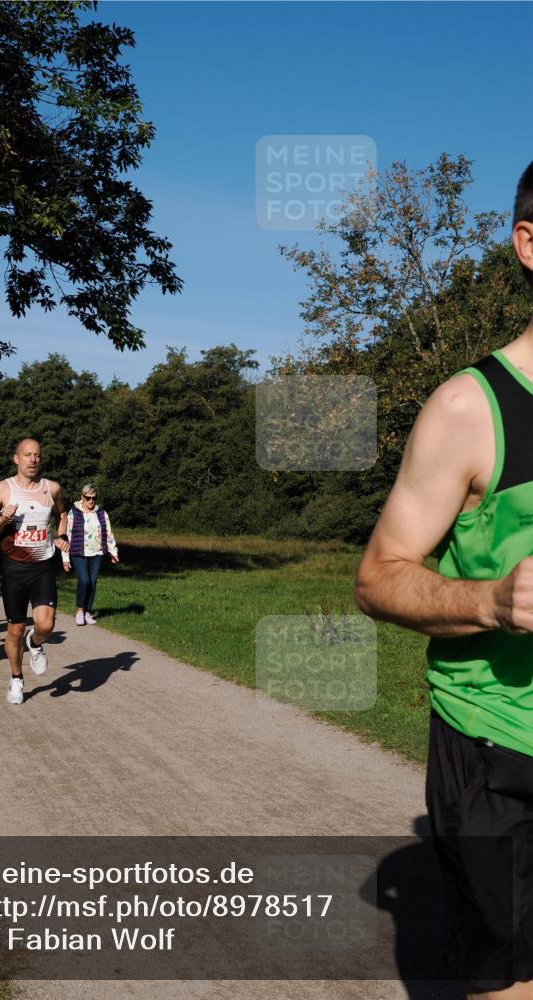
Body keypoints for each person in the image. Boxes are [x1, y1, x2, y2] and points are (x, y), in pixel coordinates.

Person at [355, 162, 533, 999]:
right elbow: (380, 576)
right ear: (530, 245)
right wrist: (489, 601)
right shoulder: (472, 408)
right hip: (501, 749)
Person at [0, 438, 69, 705]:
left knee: (45, 624)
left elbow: (63, 513)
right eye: (27, 455)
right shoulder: (3, 489)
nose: (33, 460)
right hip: (14, 568)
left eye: (37, 455)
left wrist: (61, 534)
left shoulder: (52, 488)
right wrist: (3, 518)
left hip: (42, 566)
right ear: (16, 459)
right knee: (15, 629)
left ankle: (36, 643)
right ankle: (16, 678)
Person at [61, 483, 119, 624]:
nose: (91, 501)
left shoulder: (101, 513)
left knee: (92, 583)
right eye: (88, 498)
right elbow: (66, 536)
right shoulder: (73, 512)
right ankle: (79, 611)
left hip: (97, 553)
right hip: (78, 552)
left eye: (94, 498)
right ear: (82, 497)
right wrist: (65, 558)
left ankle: (88, 612)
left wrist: (113, 552)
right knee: (84, 580)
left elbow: (108, 533)